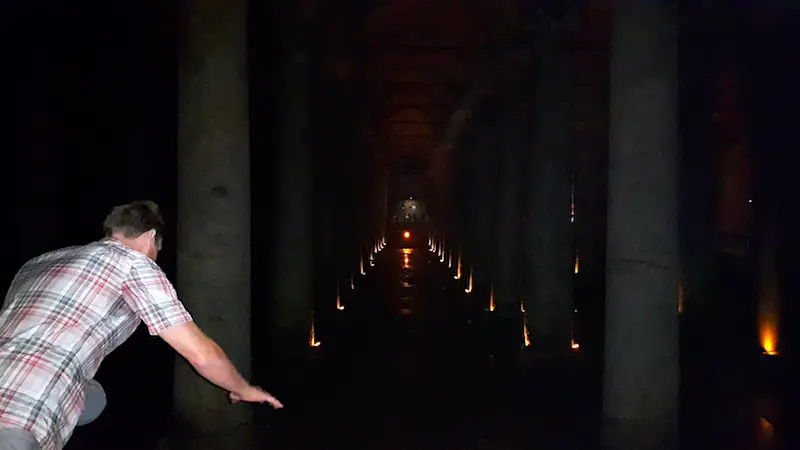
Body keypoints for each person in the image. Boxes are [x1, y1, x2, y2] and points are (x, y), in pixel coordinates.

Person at [0, 201, 282, 450]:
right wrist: (242, 388)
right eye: (158, 249)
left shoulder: (39, 263)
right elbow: (201, 353)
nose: (155, 257)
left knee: (95, 401)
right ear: (150, 238)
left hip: (19, 400)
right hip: (19, 415)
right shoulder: (132, 262)